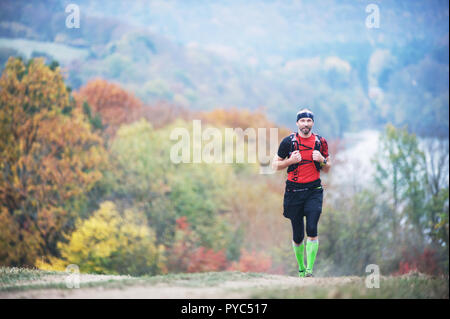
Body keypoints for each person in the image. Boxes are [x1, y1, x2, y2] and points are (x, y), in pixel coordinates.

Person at [272, 108, 331, 277]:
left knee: (312, 228)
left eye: (309, 121)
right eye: (302, 121)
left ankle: (310, 270)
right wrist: (290, 161)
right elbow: (274, 165)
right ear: (297, 123)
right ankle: (301, 268)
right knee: (298, 235)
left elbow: (327, 169)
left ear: (313, 123)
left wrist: (322, 160)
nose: (306, 124)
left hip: (314, 191)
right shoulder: (288, 142)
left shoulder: (321, 142)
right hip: (293, 191)